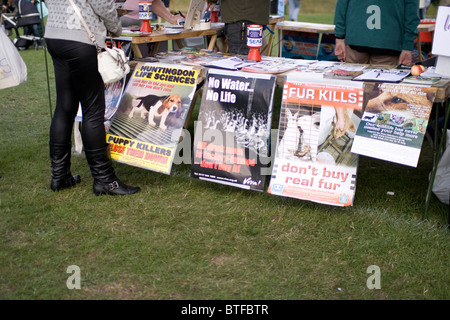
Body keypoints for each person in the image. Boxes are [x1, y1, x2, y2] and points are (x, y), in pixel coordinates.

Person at [44, 0, 140, 196]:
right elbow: (102, 3)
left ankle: (59, 176)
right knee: (93, 109)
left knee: (65, 106)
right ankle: (105, 180)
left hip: (55, 35)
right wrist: (115, 26)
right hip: (80, 39)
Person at [334, 0, 420, 66]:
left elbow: (342, 6)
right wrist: (407, 45)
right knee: (379, 87)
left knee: (353, 86)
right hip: (387, 41)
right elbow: (411, 14)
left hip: (358, 39)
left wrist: (340, 36)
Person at [207, 0, 271, 55]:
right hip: (254, 14)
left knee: (239, 60)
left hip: (240, 15)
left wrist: (212, 1)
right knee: (250, 57)